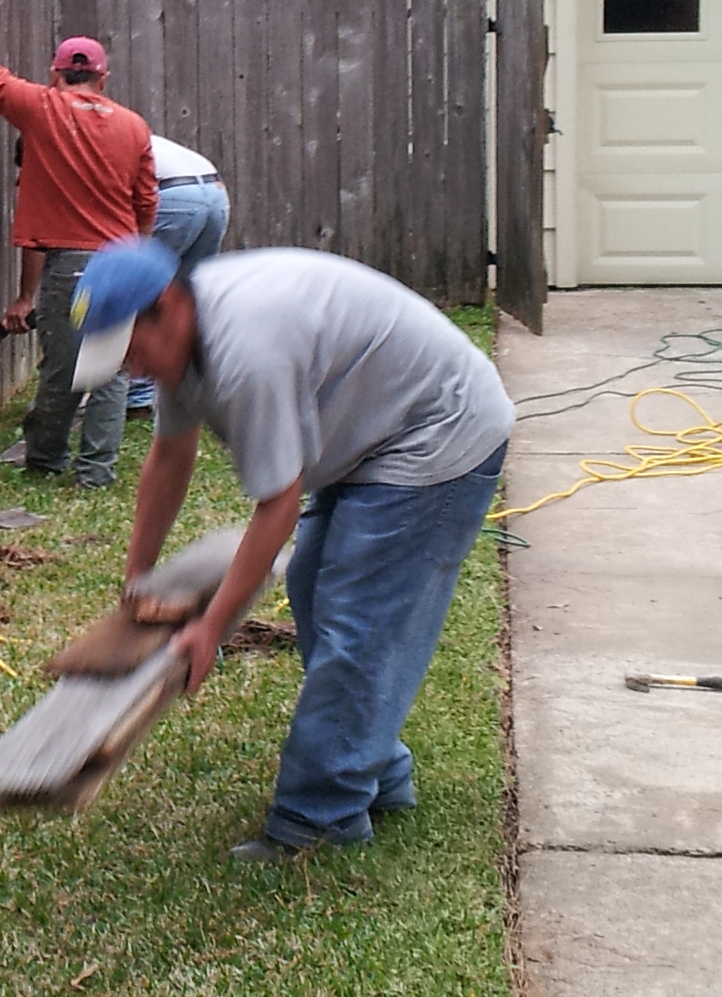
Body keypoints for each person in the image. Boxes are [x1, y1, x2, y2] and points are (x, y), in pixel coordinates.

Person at [68, 235, 513, 860]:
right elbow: (170, 456)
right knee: (314, 591)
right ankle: (376, 770)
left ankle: (319, 819)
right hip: (377, 432)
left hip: (437, 430)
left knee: (357, 620)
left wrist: (212, 628)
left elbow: (278, 505)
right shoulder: (186, 340)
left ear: (167, 306)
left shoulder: (247, 352)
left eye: (131, 350)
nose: (133, 371)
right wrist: (139, 578)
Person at [0, 0, 156, 487]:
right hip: (121, 262)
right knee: (109, 371)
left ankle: (45, 458)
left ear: (55, 73)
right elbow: (146, 201)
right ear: (103, 79)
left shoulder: (42, 108)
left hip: (73, 267)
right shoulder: (134, 126)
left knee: (64, 368)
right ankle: (97, 471)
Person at [125, 132, 227, 415]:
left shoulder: (77, 140)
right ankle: (203, 382)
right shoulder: (125, 128)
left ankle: (138, 396)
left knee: (143, 294)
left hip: (170, 193)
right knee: (192, 296)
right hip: (214, 190)